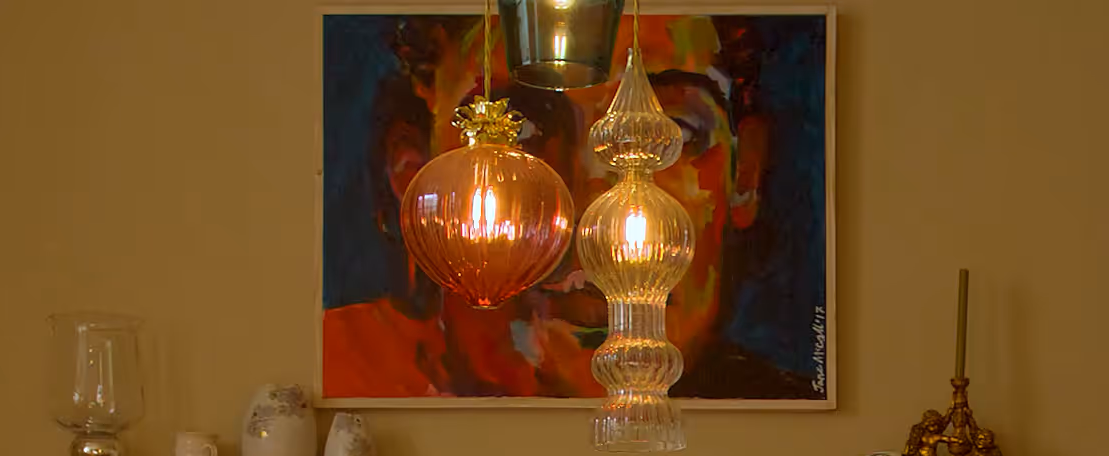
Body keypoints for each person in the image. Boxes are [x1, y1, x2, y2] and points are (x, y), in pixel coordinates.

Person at [323, 16, 811, 401]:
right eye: (518, 133)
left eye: (669, 137)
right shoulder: (339, 367)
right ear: (414, 175)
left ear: (743, 176)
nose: (590, 206)